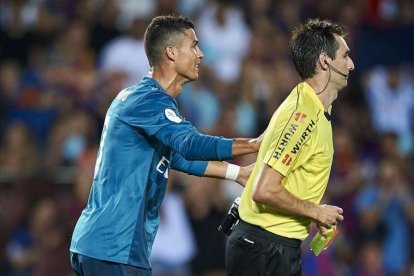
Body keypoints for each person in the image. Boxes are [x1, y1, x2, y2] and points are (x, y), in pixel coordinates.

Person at [69, 15, 262, 276]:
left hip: (111, 245)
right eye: (193, 45)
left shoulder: (146, 101)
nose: (201, 54)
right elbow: (191, 144)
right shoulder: (147, 100)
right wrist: (254, 144)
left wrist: (236, 173)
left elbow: (179, 157)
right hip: (115, 246)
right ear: (171, 53)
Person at [225, 18, 354, 275]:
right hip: (263, 249)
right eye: (345, 56)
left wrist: (312, 213)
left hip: (271, 247)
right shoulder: (304, 115)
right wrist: (315, 211)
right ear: (324, 61)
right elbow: (265, 190)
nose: (351, 64)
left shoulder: (315, 107)